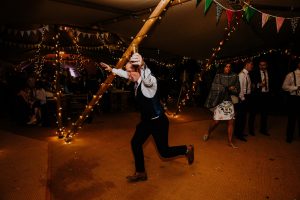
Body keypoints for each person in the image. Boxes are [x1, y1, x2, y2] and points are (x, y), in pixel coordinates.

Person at [100, 53, 194, 182]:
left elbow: (149, 79)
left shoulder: (149, 84)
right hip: (146, 121)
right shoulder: (135, 78)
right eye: (127, 71)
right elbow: (124, 73)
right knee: (135, 143)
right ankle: (141, 173)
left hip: (158, 122)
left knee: (164, 152)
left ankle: (186, 149)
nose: (128, 74)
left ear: (138, 70)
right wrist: (112, 69)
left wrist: (143, 65)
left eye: (130, 71)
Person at [204, 63, 240, 148]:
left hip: (229, 101)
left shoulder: (235, 76)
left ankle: (230, 142)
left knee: (231, 121)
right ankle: (208, 132)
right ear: (223, 67)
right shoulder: (218, 75)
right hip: (220, 101)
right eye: (226, 66)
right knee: (216, 121)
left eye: (229, 66)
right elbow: (214, 87)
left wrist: (233, 89)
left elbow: (238, 89)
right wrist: (227, 88)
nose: (228, 68)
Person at [248, 60, 271, 136]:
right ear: (259, 65)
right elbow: (251, 84)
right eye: (260, 65)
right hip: (257, 95)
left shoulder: (270, 72)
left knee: (265, 113)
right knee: (253, 113)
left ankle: (263, 130)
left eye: (264, 65)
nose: (262, 66)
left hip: (266, 95)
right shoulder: (254, 73)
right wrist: (259, 85)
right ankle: (251, 130)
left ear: (266, 65)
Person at [234, 59, 254, 142]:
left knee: (243, 116)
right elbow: (240, 89)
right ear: (246, 65)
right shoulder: (241, 75)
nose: (252, 66)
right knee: (240, 117)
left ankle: (240, 132)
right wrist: (243, 99)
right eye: (251, 64)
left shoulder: (247, 74)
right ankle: (238, 134)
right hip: (242, 97)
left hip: (246, 96)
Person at [282, 60, 300, 143]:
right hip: (294, 99)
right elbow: (284, 86)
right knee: (292, 119)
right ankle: (289, 137)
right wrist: (296, 88)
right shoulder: (291, 75)